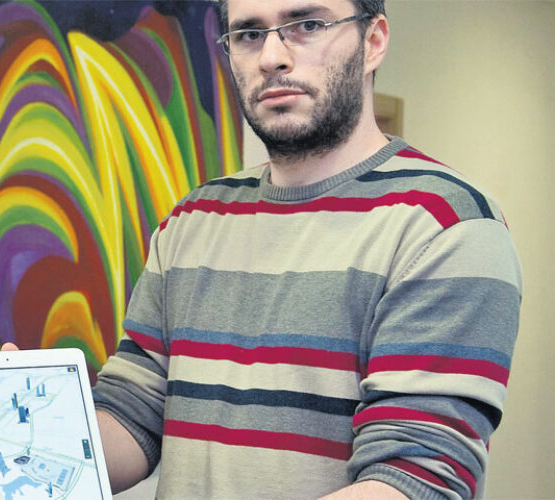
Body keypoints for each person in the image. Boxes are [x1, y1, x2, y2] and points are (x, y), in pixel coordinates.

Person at [88, 0, 523, 498]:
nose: (271, 56)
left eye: (308, 25)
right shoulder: (194, 219)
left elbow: (415, 478)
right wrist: (34, 439)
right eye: (249, 34)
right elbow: (133, 414)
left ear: (373, 41)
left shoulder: (445, 224)